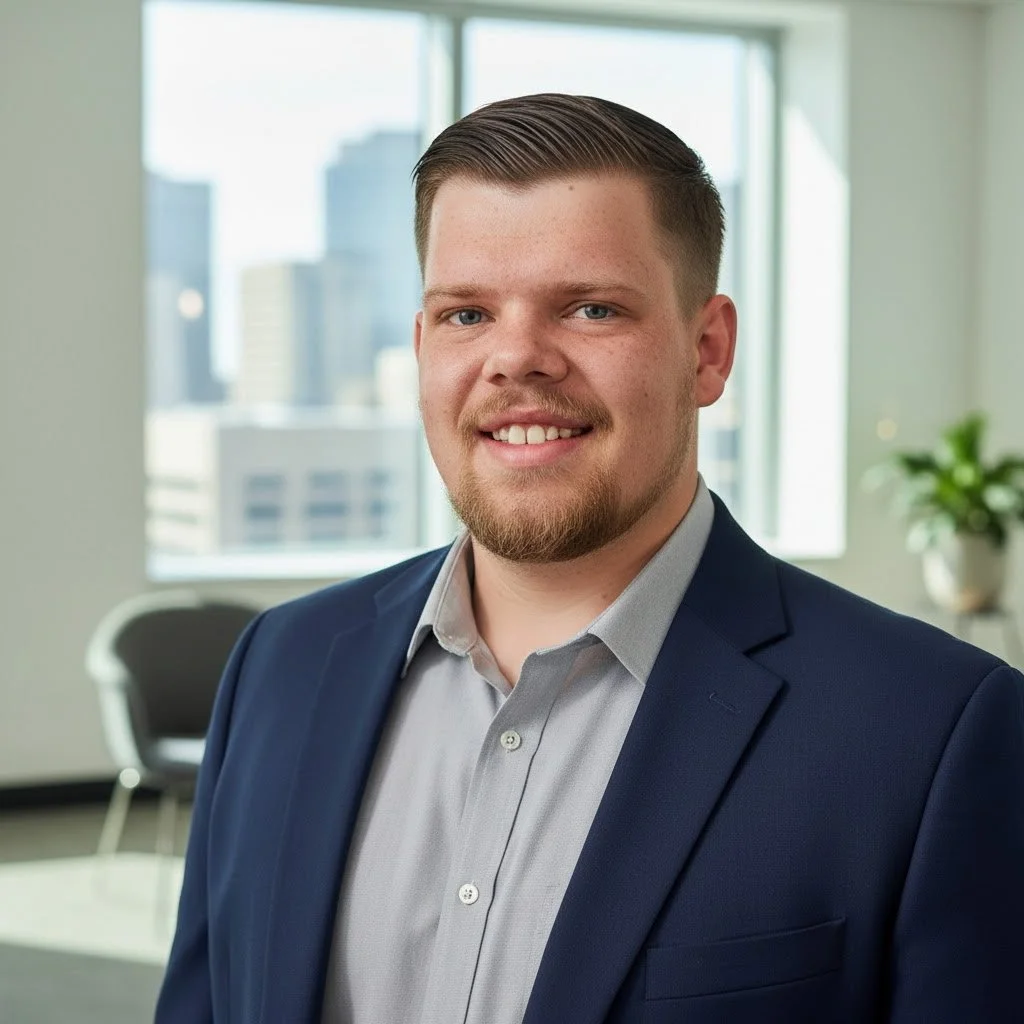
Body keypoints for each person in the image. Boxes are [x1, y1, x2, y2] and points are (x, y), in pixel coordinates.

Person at [155, 94, 1024, 1024]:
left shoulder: (934, 735)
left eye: (592, 307)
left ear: (708, 349)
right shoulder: (278, 668)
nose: (516, 358)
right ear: (420, 347)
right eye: (466, 314)